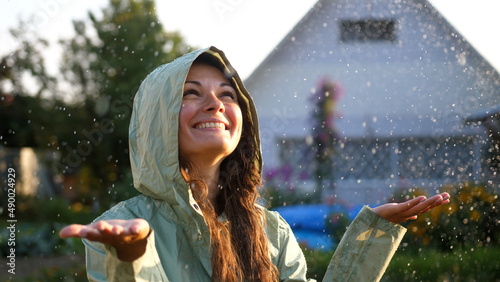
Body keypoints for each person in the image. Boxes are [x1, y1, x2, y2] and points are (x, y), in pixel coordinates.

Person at [60, 46, 450, 281]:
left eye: (227, 94)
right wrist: (131, 257)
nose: (215, 103)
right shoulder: (121, 228)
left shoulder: (271, 230)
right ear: (155, 119)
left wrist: (372, 236)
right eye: (191, 94)